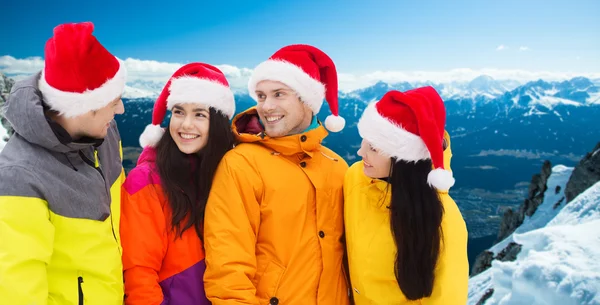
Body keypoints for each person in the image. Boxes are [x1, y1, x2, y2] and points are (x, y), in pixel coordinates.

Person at [203, 44, 351, 305]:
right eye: (260, 96)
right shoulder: (241, 164)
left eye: (278, 94)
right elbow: (227, 264)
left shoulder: (337, 167)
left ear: (307, 99)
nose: (266, 106)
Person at [0, 22, 127, 304]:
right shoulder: (18, 178)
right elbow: (18, 293)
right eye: (114, 101)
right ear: (84, 107)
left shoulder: (105, 134)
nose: (121, 109)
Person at [120, 63, 236, 305]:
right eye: (179, 112)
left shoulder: (229, 174)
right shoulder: (147, 180)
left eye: (199, 115)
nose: (185, 125)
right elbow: (138, 272)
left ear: (218, 123)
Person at [343, 87, 469, 304]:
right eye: (364, 141)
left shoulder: (442, 218)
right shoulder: (356, 177)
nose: (360, 153)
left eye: (373, 148)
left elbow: (447, 298)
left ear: (403, 160)